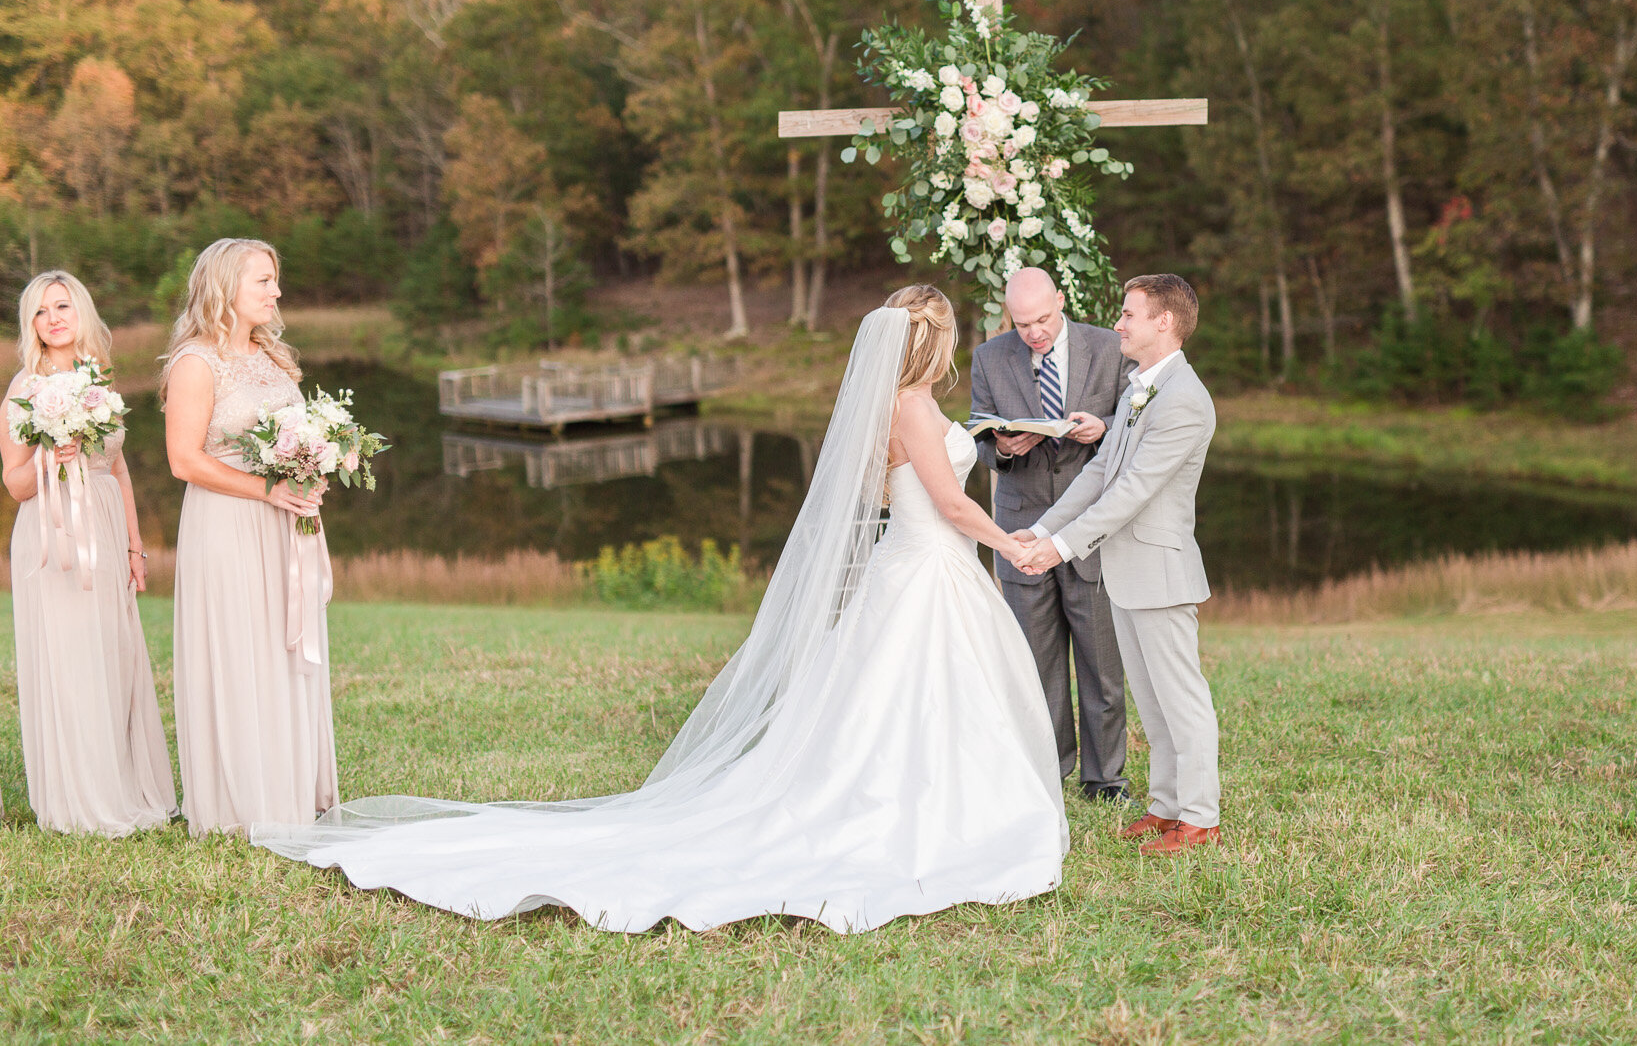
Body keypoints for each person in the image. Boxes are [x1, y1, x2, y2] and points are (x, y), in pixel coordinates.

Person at [249, 287, 1066, 934]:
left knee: (885, 704)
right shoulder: (915, 407)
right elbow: (953, 510)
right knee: (917, 699)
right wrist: (1015, 539)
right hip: (930, 567)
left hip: (908, 565)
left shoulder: (889, 408)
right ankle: (933, 816)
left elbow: (887, 490)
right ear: (937, 343)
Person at [1014, 274, 1221, 855]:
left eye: (1129, 315)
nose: (1118, 324)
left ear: (1164, 323)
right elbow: (1100, 473)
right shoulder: (1140, 386)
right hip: (1124, 571)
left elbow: (1133, 491)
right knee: (1152, 702)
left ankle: (1201, 818)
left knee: (1181, 698)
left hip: (1161, 571)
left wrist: (1059, 549)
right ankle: (1165, 807)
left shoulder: (1184, 399)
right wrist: (1042, 527)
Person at [162, 238, 337, 836]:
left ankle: (290, 786)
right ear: (225, 288)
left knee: (283, 652)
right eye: (263, 281)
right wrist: (267, 490)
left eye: (275, 280)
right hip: (226, 526)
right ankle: (242, 801)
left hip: (282, 524)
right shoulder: (195, 363)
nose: (276, 291)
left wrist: (310, 471)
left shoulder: (274, 359)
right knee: (239, 652)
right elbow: (183, 461)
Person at [3, 271, 176, 836]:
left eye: (63, 306)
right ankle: (82, 799)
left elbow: (118, 466)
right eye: (40, 311)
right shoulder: (24, 390)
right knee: (72, 657)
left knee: (113, 657)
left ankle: (124, 785)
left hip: (104, 524)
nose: (53, 318)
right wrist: (51, 453)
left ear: (82, 313)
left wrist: (134, 545)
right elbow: (16, 485)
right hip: (54, 534)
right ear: (31, 325)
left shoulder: (98, 382)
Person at [971, 267, 1134, 801]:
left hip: (1092, 530)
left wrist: (1103, 427)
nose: (1034, 332)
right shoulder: (989, 357)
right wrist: (1003, 449)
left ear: (1061, 300)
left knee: (1101, 662)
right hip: (1020, 526)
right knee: (1037, 664)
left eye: (1042, 319)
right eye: (1022, 324)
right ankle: (1049, 769)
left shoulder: (1109, 347)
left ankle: (1105, 778)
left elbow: (1137, 423)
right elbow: (978, 440)